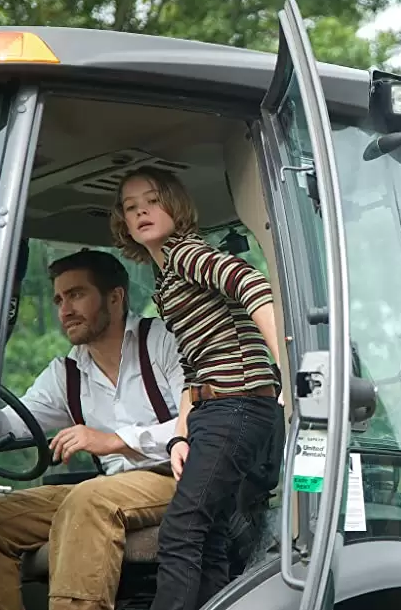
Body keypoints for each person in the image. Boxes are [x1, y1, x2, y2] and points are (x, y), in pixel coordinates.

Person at [111, 165, 283, 610]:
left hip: (239, 403)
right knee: (209, 535)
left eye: (151, 200)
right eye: (131, 208)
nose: (141, 211)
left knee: (182, 528)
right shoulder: (165, 281)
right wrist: (181, 436)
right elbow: (193, 365)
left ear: (175, 204)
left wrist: (289, 369)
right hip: (212, 410)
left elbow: (250, 282)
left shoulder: (187, 253)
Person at [0, 248, 186, 610]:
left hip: (175, 476)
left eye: (76, 295)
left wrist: (114, 441)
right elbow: (8, 427)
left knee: (89, 499)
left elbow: (198, 419)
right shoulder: (67, 374)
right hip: (111, 486)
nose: (64, 310)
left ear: (116, 297)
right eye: (59, 299)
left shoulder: (164, 341)